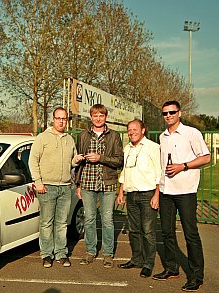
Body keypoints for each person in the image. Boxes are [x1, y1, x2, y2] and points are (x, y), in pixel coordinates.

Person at [153, 101, 210, 292]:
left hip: (185, 191)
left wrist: (183, 166)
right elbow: (162, 167)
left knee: (190, 234)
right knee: (167, 232)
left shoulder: (191, 133)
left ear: (179, 113)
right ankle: (171, 268)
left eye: (172, 112)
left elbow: (206, 157)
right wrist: (158, 190)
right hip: (166, 191)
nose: (168, 115)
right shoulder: (162, 137)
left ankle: (196, 276)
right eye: (165, 113)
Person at [29, 107, 84, 268]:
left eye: (64, 119)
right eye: (58, 118)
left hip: (65, 187)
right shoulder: (42, 138)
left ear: (67, 121)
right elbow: (33, 160)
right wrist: (38, 182)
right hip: (47, 187)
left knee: (61, 223)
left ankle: (61, 252)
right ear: (53, 119)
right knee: (46, 223)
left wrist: (76, 160)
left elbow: (71, 161)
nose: (61, 121)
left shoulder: (69, 139)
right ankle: (47, 254)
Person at [75, 104, 124, 268]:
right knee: (89, 218)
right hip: (87, 182)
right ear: (91, 117)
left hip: (107, 183)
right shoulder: (83, 135)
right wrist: (78, 183)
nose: (98, 118)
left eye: (101, 115)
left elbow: (119, 161)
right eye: (95, 115)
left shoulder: (114, 135)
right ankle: (90, 251)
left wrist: (100, 158)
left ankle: (108, 254)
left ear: (105, 117)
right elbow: (78, 162)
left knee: (107, 219)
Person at [116, 119, 160, 278]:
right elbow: (124, 172)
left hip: (147, 194)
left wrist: (157, 194)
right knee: (134, 230)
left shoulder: (153, 147)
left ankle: (148, 263)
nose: (132, 132)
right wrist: (121, 191)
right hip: (131, 194)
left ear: (143, 130)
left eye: (135, 129)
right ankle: (136, 259)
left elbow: (159, 172)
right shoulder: (127, 148)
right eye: (129, 130)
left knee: (147, 231)